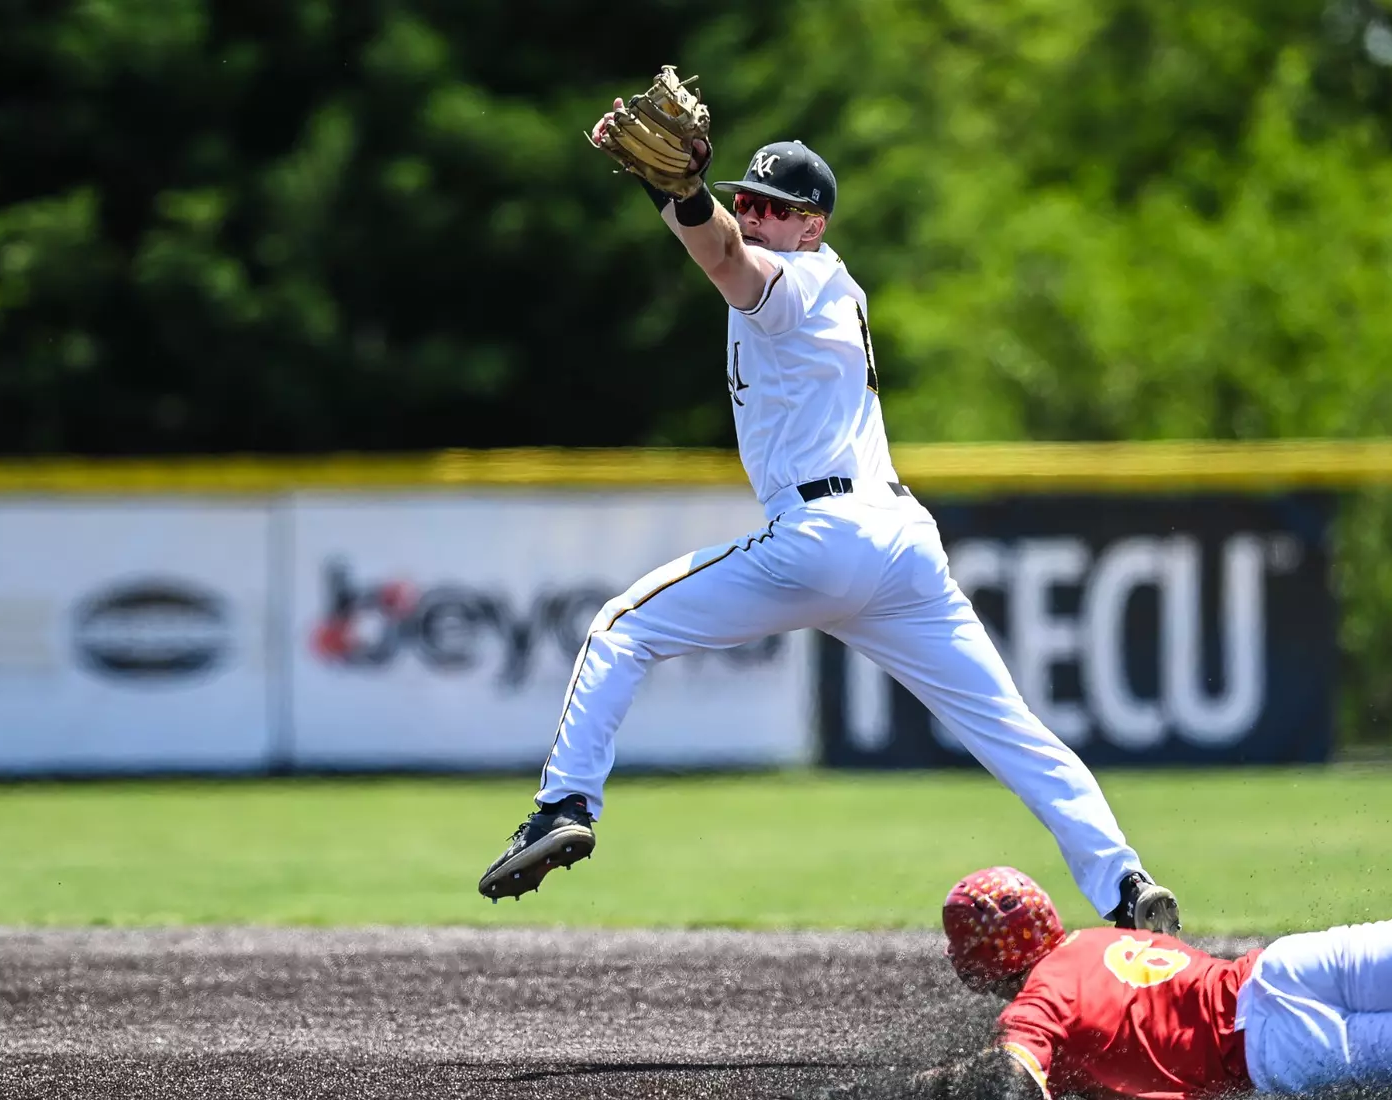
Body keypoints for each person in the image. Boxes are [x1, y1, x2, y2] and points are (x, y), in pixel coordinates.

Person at [473, 80, 1179, 936]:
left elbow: (727, 259)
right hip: (901, 544)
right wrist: (669, 189)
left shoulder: (800, 280)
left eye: (774, 205)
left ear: (813, 224)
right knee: (1013, 732)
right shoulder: (823, 286)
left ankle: (561, 806)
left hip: (824, 536)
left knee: (622, 626)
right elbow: (721, 249)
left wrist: (684, 194)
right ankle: (1125, 884)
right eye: (746, 199)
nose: (755, 212)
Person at [908, 866, 1392, 1098]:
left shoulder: (1038, 1004)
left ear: (982, 959)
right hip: (1286, 966)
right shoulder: (1101, 940)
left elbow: (1012, 1079)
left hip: (1274, 1052)